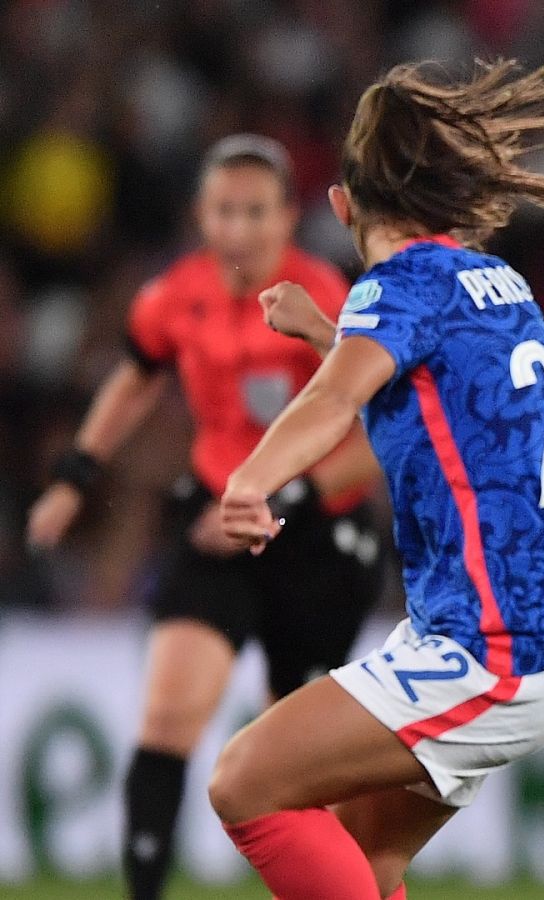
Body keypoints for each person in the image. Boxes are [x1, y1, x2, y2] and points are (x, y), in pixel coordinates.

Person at [203, 59, 544, 900]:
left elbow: (339, 395)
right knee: (361, 853)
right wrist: (326, 330)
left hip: (491, 646)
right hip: (543, 631)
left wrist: (250, 478)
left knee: (243, 782)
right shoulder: (495, 283)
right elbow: (424, 401)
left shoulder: (402, 287)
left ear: (342, 208)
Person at [24, 134, 385, 900]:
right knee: (166, 721)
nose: (239, 229)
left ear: (289, 216)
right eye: (225, 211)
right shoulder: (173, 296)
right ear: (201, 216)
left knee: (296, 762)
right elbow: (136, 378)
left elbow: (382, 440)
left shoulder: (331, 305)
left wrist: (277, 497)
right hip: (217, 528)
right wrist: (74, 476)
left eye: (256, 212)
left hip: (317, 539)